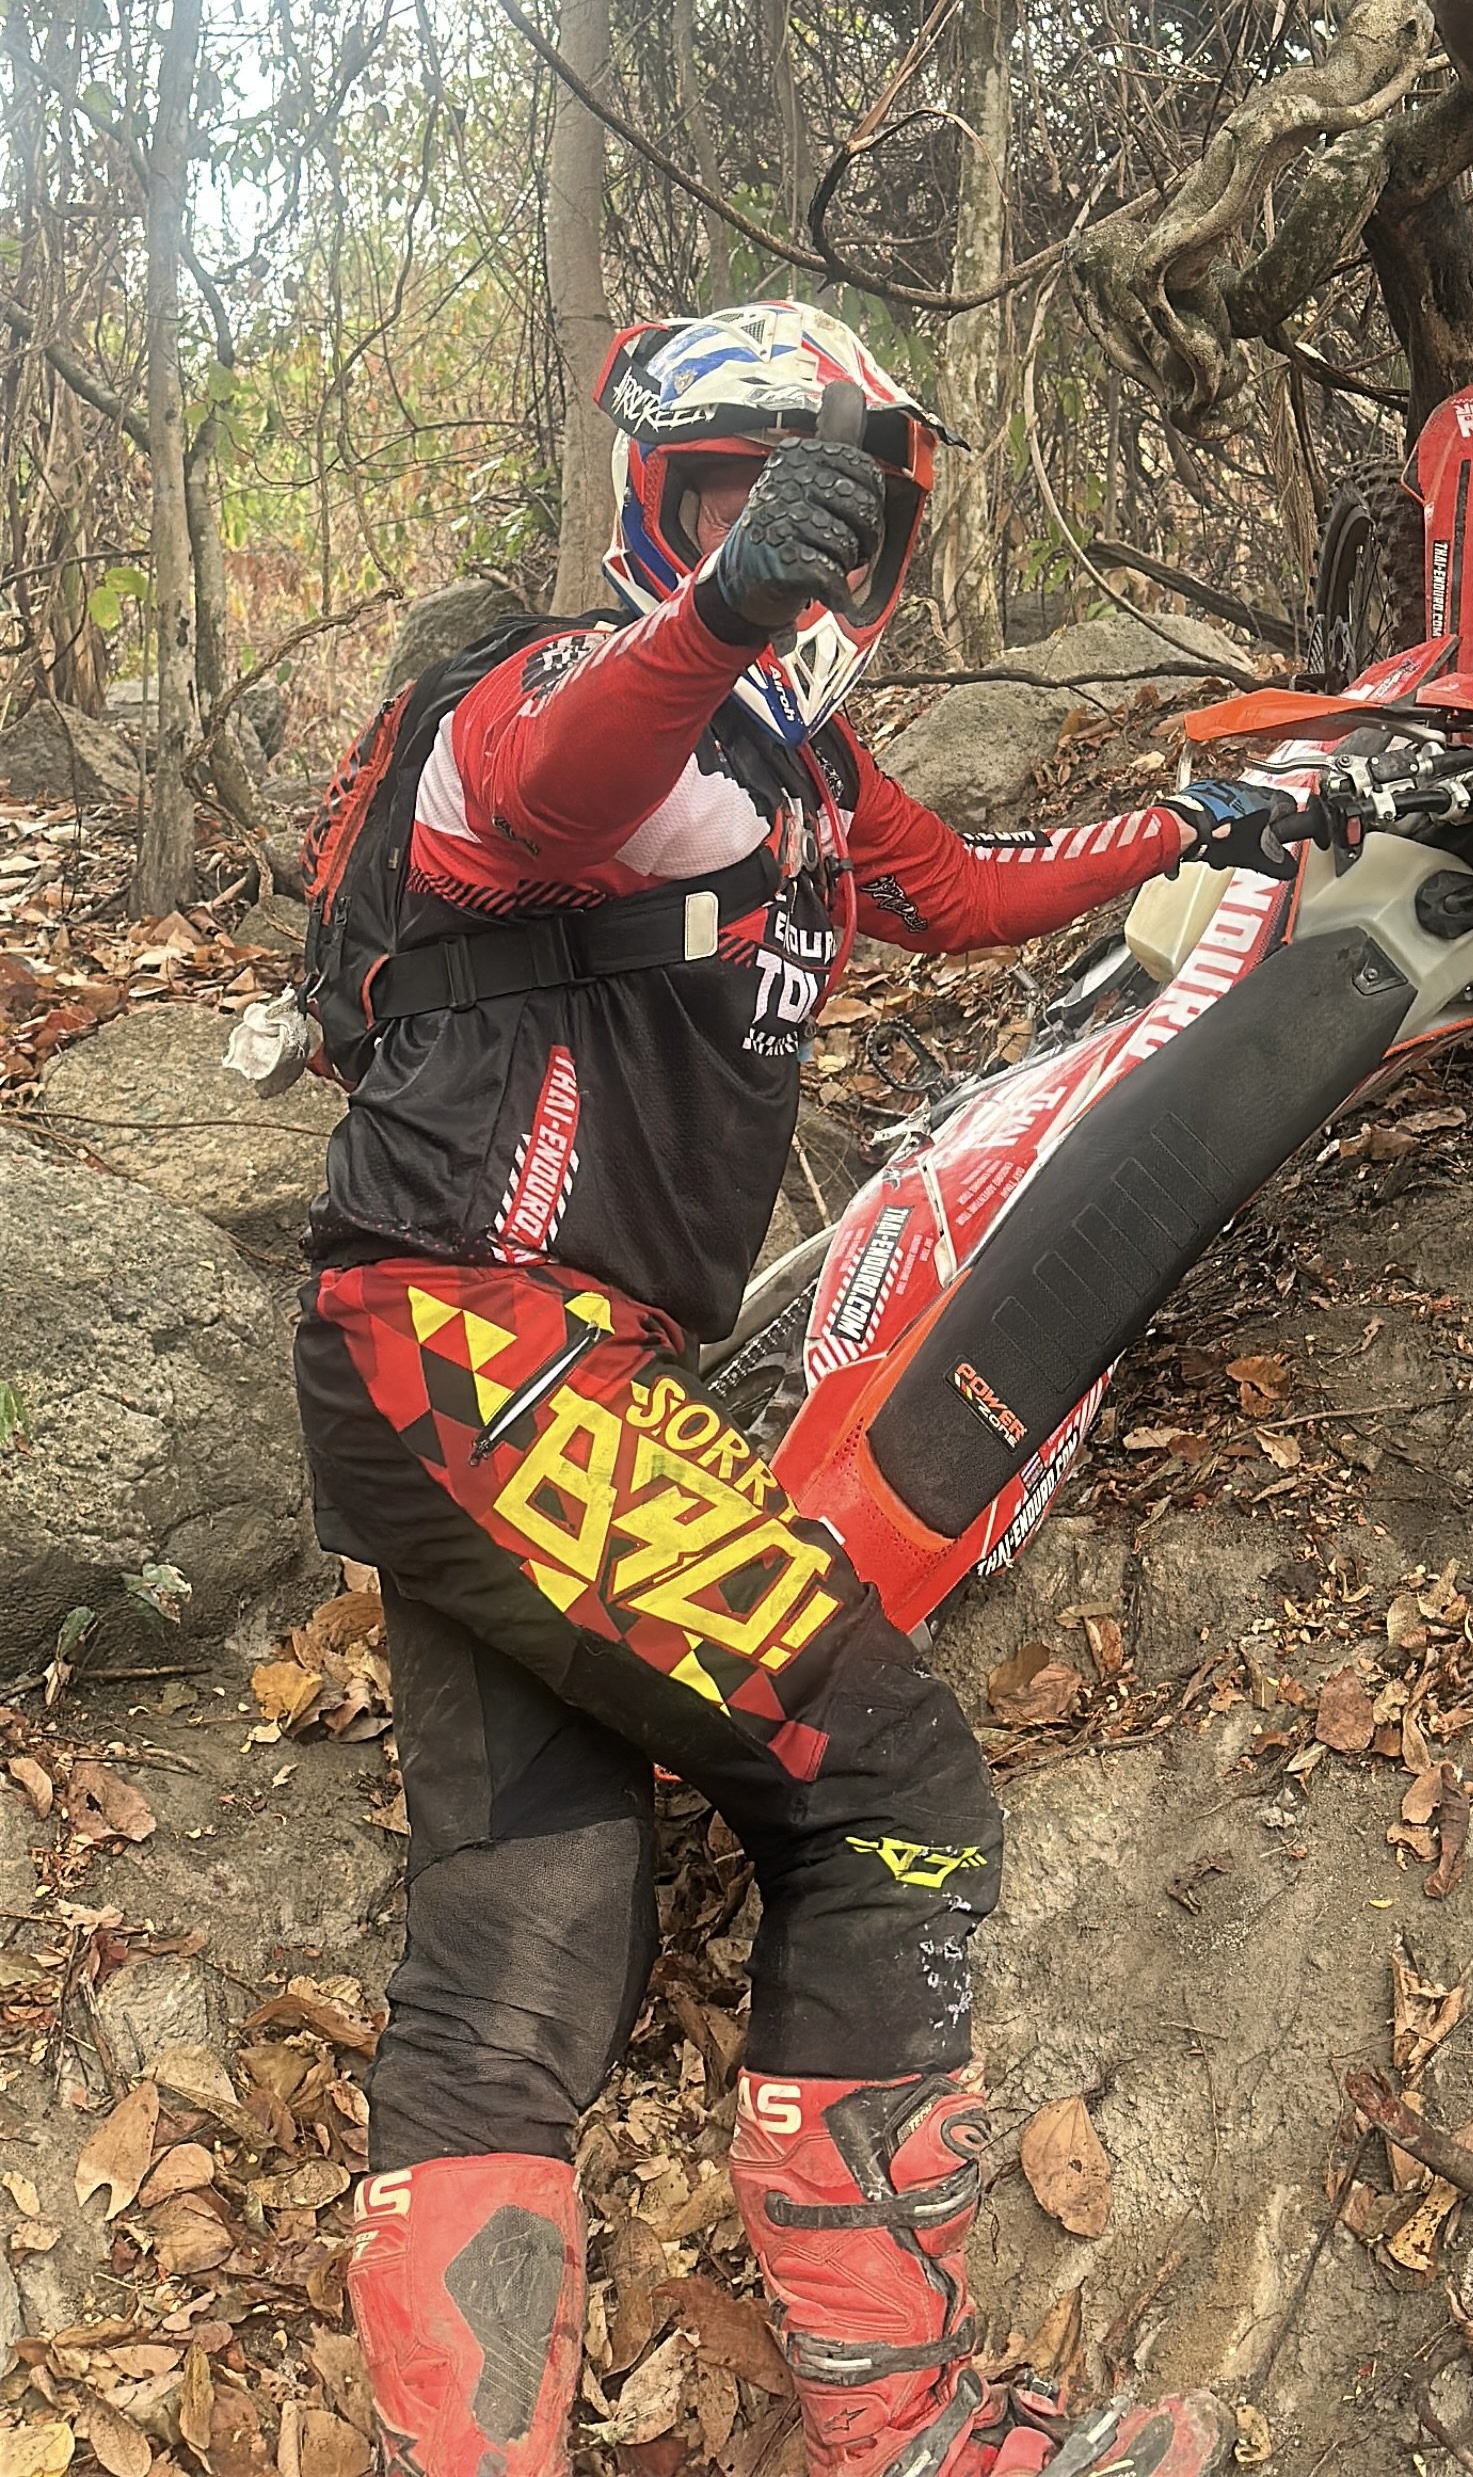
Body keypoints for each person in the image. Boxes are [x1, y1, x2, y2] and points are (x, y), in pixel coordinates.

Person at [293, 303, 1293, 2477]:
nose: (796, 543)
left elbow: (958, 892)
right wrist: (727, 605)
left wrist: (1196, 827)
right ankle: (917, 2428)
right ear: (661, 509)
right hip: (484, 1359)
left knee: (525, 1937)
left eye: (824, 507)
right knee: (899, 1791)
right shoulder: (559, 708)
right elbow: (550, 774)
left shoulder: (810, 780)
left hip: (474, 1382)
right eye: (735, 494)